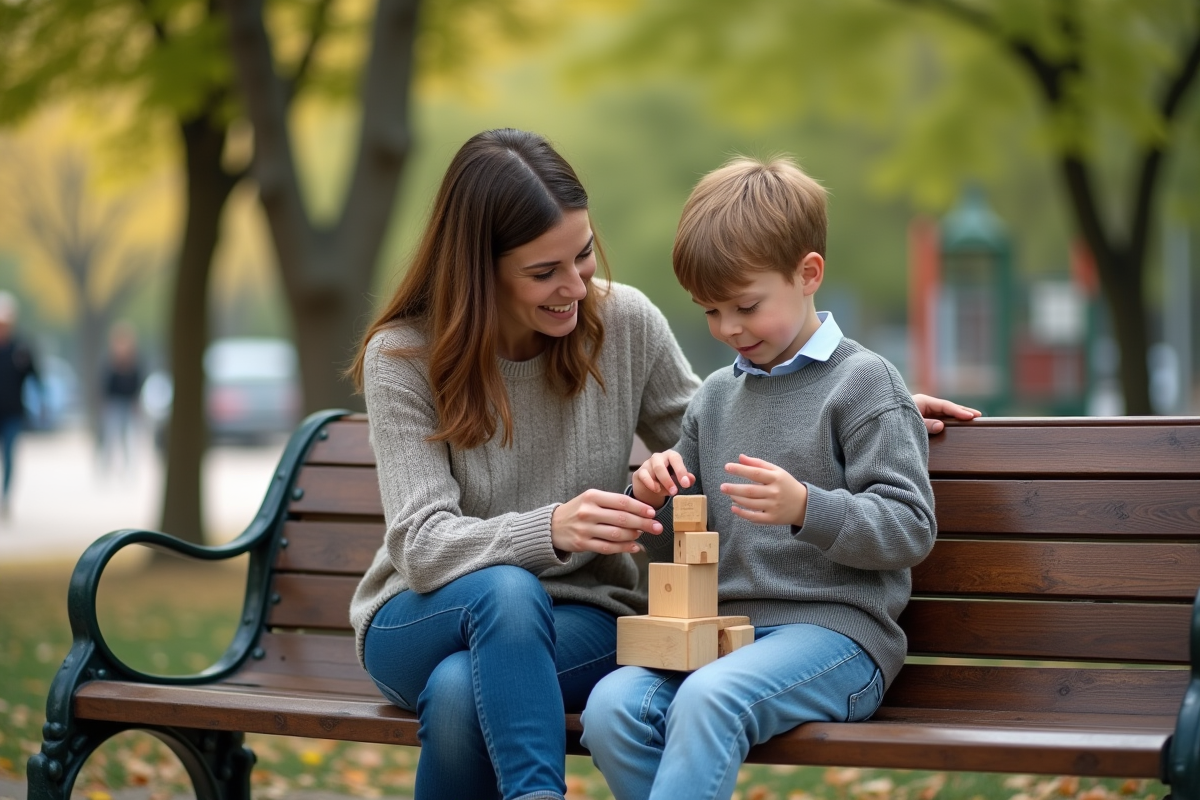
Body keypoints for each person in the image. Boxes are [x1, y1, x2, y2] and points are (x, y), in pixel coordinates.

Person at [346, 130, 978, 800]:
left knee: (457, 690)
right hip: (428, 612)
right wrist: (553, 528)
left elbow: (718, 430)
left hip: (582, 619)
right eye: (543, 273)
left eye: (583, 255)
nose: (574, 285)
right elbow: (420, 544)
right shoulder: (403, 358)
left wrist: (863, 405)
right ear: (480, 271)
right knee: (506, 593)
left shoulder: (622, 323)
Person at [580, 156, 943, 800]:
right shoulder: (714, 397)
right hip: (723, 634)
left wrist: (807, 507)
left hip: (840, 640)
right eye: (711, 312)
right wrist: (653, 497)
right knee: (613, 709)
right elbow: (673, 550)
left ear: (808, 275)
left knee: (709, 698)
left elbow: (909, 528)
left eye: (745, 305)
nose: (728, 329)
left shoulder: (864, 384)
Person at [0, 291, 40, 517]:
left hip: (13, 412)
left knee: (9, 457)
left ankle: (5, 497)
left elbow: (34, 375)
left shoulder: (20, 348)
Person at [97, 321, 144, 475]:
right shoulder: (110, 362)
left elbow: (138, 384)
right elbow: (105, 384)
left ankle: (128, 468)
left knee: (128, 438)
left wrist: (136, 401)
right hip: (114, 403)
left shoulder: (134, 363)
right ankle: (106, 467)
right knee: (111, 436)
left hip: (128, 404)